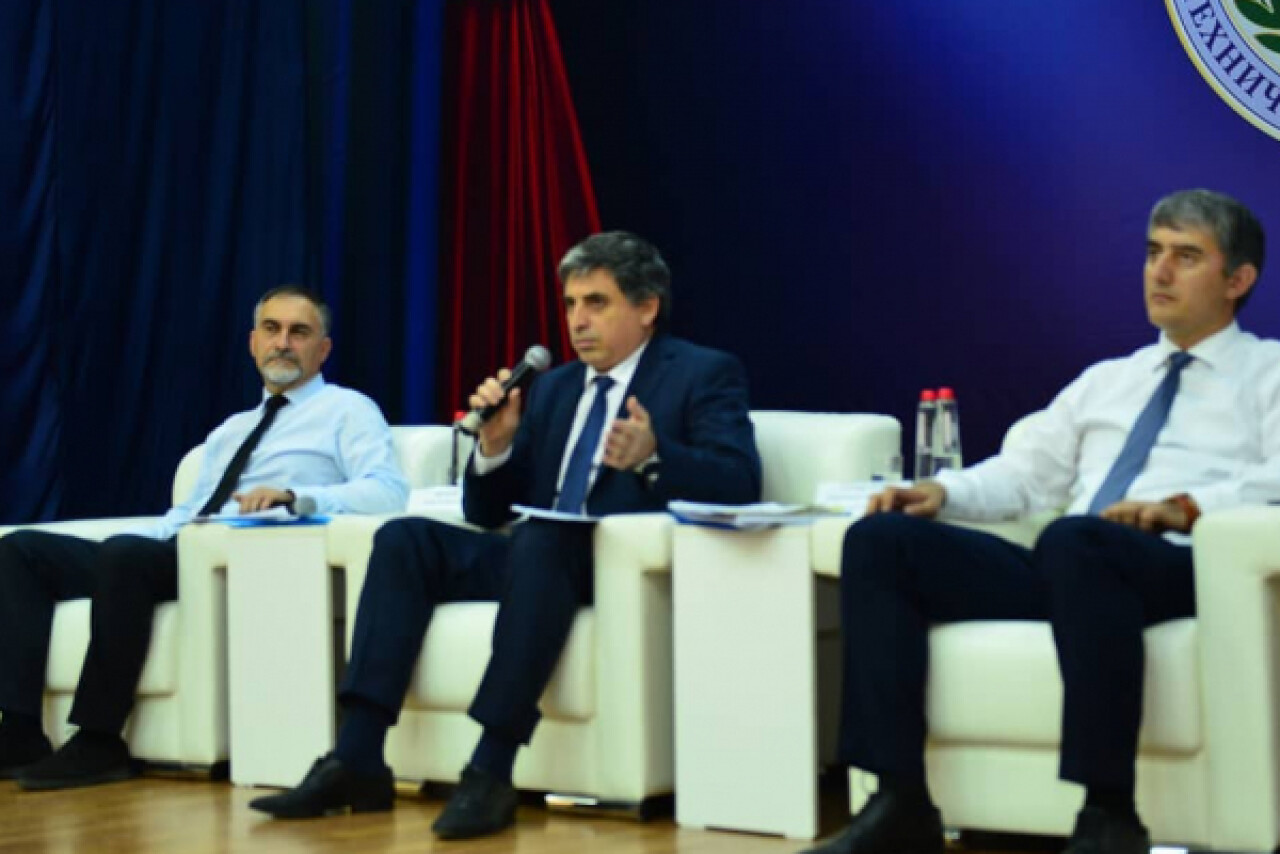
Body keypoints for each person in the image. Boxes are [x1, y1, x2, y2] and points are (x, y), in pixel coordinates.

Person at [806, 189, 1280, 854]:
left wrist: (1187, 507)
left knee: (1076, 541)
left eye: (1186, 256)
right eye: (1152, 253)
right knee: (882, 541)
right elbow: (1025, 474)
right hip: (1076, 563)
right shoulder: (1108, 380)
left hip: (1183, 563)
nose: (1160, 271)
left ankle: (1109, 814)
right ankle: (899, 800)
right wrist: (940, 492)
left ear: (1238, 280)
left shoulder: (1268, 373)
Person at [251, 231, 762, 839]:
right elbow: (488, 510)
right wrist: (494, 448)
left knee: (542, 539)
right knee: (404, 540)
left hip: (616, 563)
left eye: (596, 303)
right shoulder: (557, 387)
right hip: (535, 559)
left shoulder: (701, 373)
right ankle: (357, 755)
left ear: (647, 307)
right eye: (570, 304)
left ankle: (491, 768)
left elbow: (738, 481)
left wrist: (654, 456)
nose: (578, 321)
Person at [0, 285, 409, 791]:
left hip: (248, 559)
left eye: (299, 332)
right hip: (183, 549)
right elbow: (189, 513)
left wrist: (295, 496)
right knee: (20, 551)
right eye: (271, 329)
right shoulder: (231, 430)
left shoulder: (347, 410)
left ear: (322, 349)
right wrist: (141, 536)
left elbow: (388, 491)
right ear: (253, 343)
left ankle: (99, 740)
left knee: (125, 558)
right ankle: (19, 731)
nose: (283, 343)